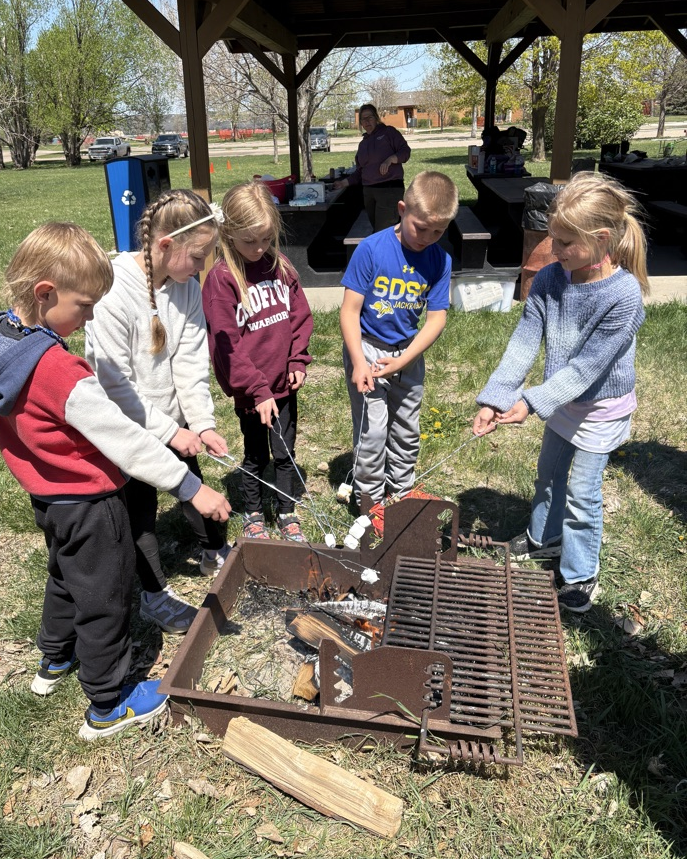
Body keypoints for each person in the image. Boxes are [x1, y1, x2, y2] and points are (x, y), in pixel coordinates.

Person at [0, 223, 231, 741]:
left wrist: (22, 427)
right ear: (45, 293)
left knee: (64, 575)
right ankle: (109, 700)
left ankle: (54, 659)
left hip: (47, 497)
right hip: (91, 501)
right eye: (83, 306)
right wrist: (194, 489)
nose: (89, 317)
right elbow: (127, 441)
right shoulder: (61, 372)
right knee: (105, 595)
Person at [473, 172, 649, 614]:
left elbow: (587, 369)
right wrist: (496, 395)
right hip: (562, 400)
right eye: (553, 238)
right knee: (548, 475)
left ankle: (579, 574)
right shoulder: (552, 278)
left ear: (601, 239)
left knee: (582, 494)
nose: (554, 250)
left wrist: (530, 401)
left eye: (565, 242)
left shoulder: (624, 296)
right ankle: (544, 537)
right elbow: (525, 340)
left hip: (598, 409)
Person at [85, 189, 232, 636]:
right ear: (166, 244)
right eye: (200, 255)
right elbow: (115, 384)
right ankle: (153, 595)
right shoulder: (112, 291)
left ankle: (215, 553)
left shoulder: (185, 287)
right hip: (130, 428)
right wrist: (167, 431)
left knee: (194, 488)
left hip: (174, 423)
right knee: (140, 513)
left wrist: (200, 422)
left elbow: (189, 360)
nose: (204, 265)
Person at [202, 180, 314, 542]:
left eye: (265, 239)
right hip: (251, 391)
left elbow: (299, 315)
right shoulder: (222, 280)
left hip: (283, 385)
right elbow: (227, 346)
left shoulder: (278, 265)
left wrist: (297, 360)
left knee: (285, 452)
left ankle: (286, 510)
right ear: (228, 233)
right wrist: (256, 389)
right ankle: (253, 513)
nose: (259, 248)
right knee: (255, 454)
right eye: (250, 241)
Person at [340, 170, 458, 507]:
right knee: (372, 431)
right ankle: (370, 499)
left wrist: (406, 360)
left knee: (407, 428)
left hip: (407, 355)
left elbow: (436, 318)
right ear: (402, 209)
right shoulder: (371, 250)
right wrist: (360, 362)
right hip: (367, 351)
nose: (427, 238)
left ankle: (402, 489)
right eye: (421, 228)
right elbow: (349, 312)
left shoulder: (440, 260)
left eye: (438, 231)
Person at [337, 104, 411, 233]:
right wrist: (343, 183)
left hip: (389, 190)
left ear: (376, 118)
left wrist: (390, 159)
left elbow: (405, 151)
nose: (366, 121)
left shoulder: (389, 132)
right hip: (369, 192)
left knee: (383, 232)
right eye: (363, 119)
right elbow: (360, 171)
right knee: (378, 232)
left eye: (369, 117)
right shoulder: (363, 143)